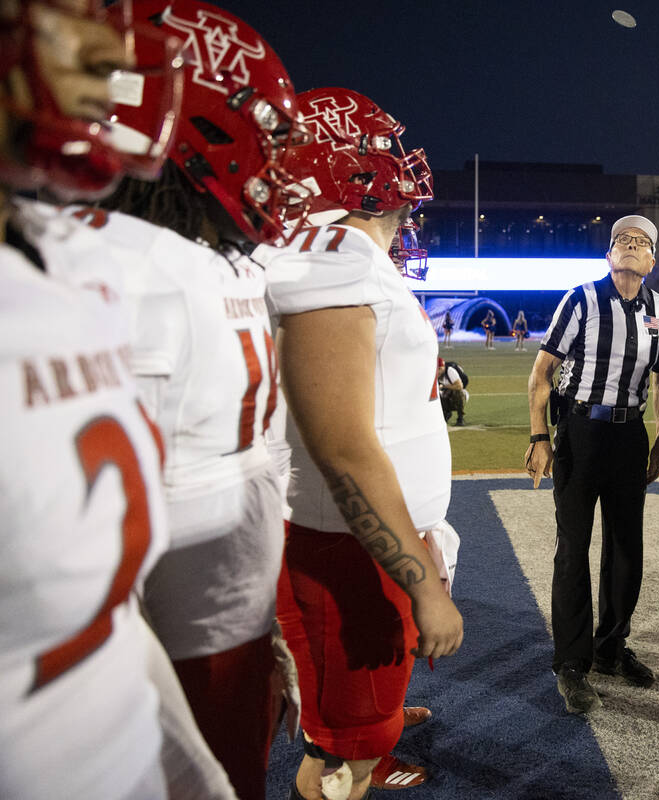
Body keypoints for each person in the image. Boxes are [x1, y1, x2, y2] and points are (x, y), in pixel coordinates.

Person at [64, 4, 315, 798]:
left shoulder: (215, 262)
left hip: (214, 625)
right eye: (265, 134)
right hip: (144, 659)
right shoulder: (123, 267)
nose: (280, 167)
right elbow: (94, 537)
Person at [0, 2, 236, 798]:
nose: (113, 48)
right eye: (67, 11)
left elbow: (106, 613)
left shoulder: (69, 260)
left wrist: (189, 772)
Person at [256, 86, 462, 800]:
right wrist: (422, 584)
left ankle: (366, 730)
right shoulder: (330, 252)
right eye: (382, 150)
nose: (398, 169)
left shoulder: (336, 251)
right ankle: (351, 754)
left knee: (360, 719)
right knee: (342, 759)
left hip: (358, 538)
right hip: (345, 549)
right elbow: (342, 446)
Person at [526, 214, 659, 714]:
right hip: (580, 431)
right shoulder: (581, 299)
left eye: (642, 243)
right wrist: (540, 435)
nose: (632, 247)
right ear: (608, 254)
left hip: (629, 433)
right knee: (573, 548)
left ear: (653, 261)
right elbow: (542, 371)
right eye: (623, 241)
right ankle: (571, 662)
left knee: (626, 547)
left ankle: (612, 647)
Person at [439, 357, 469, 426]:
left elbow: (460, 386)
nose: (438, 371)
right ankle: (446, 413)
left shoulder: (450, 370)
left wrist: (444, 387)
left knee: (457, 392)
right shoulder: (434, 373)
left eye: (439, 369)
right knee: (438, 395)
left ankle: (460, 418)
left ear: (443, 367)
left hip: (460, 393)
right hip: (446, 393)